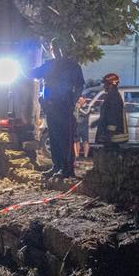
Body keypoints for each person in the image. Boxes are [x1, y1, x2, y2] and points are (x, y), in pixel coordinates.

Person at [32, 41, 85, 179]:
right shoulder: (49, 65)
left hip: (64, 107)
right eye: (54, 48)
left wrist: (72, 102)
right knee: (54, 137)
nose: (56, 50)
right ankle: (57, 166)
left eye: (58, 47)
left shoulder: (73, 66)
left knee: (65, 139)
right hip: (51, 107)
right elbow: (34, 74)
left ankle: (67, 169)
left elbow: (79, 86)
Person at [95, 73, 129, 149]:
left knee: (111, 154)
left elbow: (113, 114)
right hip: (111, 133)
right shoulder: (112, 94)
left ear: (111, 84)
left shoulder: (113, 95)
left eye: (105, 84)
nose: (104, 86)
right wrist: (96, 122)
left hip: (113, 134)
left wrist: (109, 132)